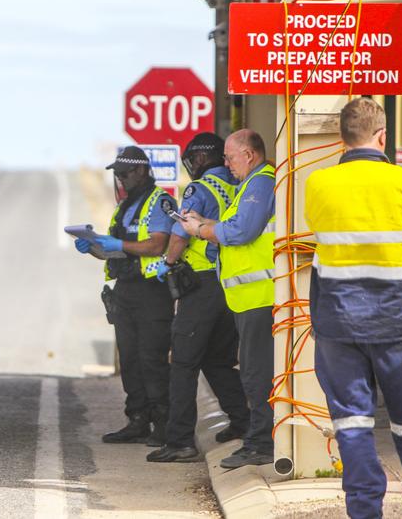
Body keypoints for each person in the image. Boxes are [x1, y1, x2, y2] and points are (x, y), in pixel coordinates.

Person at [305, 97, 402, 518]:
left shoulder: (319, 184)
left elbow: (322, 233)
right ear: (383, 136)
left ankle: (364, 510)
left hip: (338, 325)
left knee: (353, 425)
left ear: (342, 138)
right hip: (396, 325)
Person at [146, 133, 250, 463]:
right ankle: (243, 420)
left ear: (202, 159)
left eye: (193, 161)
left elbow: (180, 234)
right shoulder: (240, 185)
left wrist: (169, 263)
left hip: (202, 286)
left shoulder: (200, 188)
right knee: (217, 359)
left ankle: (179, 442)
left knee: (184, 362)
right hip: (232, 283)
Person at [182, 129, 275, 468]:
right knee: (253, 371)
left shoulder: (261, 182)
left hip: (259, 296)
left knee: (256, 374)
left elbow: (241, 231)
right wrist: (206, 222)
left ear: (249, 155)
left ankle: (261, 444)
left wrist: (200, 230)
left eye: (231, 157)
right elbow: (233, 223)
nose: (226, 163)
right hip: (247, 297)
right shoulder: (248, 185)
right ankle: (258, 439)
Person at [74, 145, 176, 446]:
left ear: (141, 171)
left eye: (125, 174)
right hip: (126, 290)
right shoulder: (124, 207)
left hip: (152, 291)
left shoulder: (160, 202)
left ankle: (163, 424)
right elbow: (114, 251)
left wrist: (117, 245)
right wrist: (94, 247)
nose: (120, 180)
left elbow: (157, 245)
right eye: (117, 175)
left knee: (152, 358)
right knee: (129, 359)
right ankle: (137, 419)